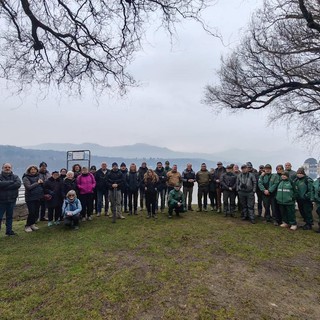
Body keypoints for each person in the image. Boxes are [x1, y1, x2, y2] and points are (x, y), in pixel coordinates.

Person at [0, 163, 21, 236]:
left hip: (12, 200)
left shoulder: (15, 176)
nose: (7, 168)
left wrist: (4, 186)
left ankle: (9, 231)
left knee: (9, 217)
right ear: (3, 168)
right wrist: (11, 182)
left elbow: (18, 184)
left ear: (11, 168)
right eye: (6, 167)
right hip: (1, 201)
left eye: (9, 167)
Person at [22, 165, 44, 232]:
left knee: (36, 212)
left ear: (37, 170)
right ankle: (27, 226)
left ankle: (32, 224)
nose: (33, 171)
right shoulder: (26, 177)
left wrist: (42, 183)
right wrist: (37, 183)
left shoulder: (39, 176)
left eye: (34, 169)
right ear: (29, 170)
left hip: (38, 197)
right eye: (31, 169)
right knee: (31, 212)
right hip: (30, 198)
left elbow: (42, 185)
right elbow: (29, 187)